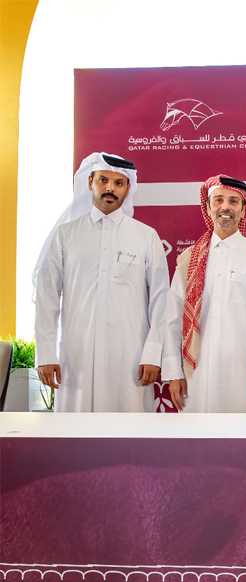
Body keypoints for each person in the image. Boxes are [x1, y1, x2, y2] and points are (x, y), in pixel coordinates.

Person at [34, 152, 169, 412]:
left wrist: (153, 352)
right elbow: (47, 296)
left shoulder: (145, 236)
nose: (110, 188)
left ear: (128, 189)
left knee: (128, 428)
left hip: (130, 355)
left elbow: (161, 299)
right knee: (75, 429)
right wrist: (46, 353)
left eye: (119, 183)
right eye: (103, 180)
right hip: (77, 355)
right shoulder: (66, 234)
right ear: (90, 183)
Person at [162, 175, 246, 412]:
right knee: (197, 435)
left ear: (243, 209)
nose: (225, 207)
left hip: (245, 374)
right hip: (195, 375)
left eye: (233, 201)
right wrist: (174, 372)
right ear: (208, 207)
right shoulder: (189, 259)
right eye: (218, 200)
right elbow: (173, 319)